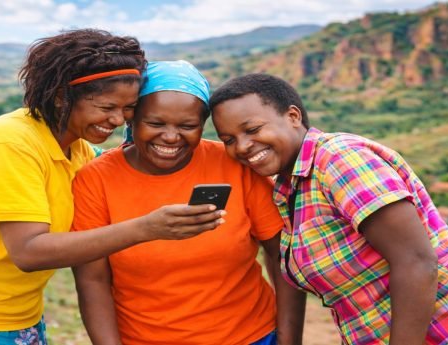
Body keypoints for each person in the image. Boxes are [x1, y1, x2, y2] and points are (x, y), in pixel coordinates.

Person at [0, 30, 224, 344]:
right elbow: (29, 252)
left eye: (129, 108)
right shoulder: (11, 142)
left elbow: (129, 168)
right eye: (107, 107)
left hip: (17, 319)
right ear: (61, 97)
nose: (119, 120)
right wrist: (147, 228)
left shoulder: (79, 150)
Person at [209, 73, 448, 345]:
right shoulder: (290, 187)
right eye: (229, 139)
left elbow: (416, 261)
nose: (242, 146)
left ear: (293, 117)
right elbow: (289, 274)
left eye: (252, 130)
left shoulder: (339, 159)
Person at [71, 61, 306, 345]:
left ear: (203, 125)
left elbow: (280, 254)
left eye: (188, 126)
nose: (171, 137)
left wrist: (288, 340)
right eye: (155, 123)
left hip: (253, 336)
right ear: (131, 119)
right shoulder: (96, 180)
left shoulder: (233, 164)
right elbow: (92, 281)